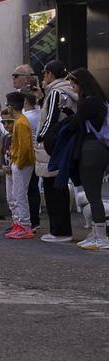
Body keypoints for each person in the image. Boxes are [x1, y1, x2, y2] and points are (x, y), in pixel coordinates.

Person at [68, 68, 109, 250]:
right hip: (100, 149)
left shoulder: (88, 103)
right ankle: (96, 233)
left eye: (73, 83)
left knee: (93, 196)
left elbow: (76, 123)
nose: (72, 86)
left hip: (90, 150)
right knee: (94, 195)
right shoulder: (100, 100)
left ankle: (100, 236)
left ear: (81, 83)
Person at [36, 61, 77, 243]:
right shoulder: (69, 91)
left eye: (44, 73)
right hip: (64, 143)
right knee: (58, 188)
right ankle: (62, 230)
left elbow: (50, 118)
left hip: (52, 146)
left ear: (50, 74)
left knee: (53, 189)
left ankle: (59, 231)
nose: (43, 77)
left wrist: (41, 138)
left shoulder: (55, 92)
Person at [4, 91, 37, 239]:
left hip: (21, 163)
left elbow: (23, 148)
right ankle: (19, 223)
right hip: (19, 162)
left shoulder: (21, 123)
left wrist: (17, 163)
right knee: (16, 195)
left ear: (10, 107)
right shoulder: (21, 121)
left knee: (19, 195)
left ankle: (24, 225)